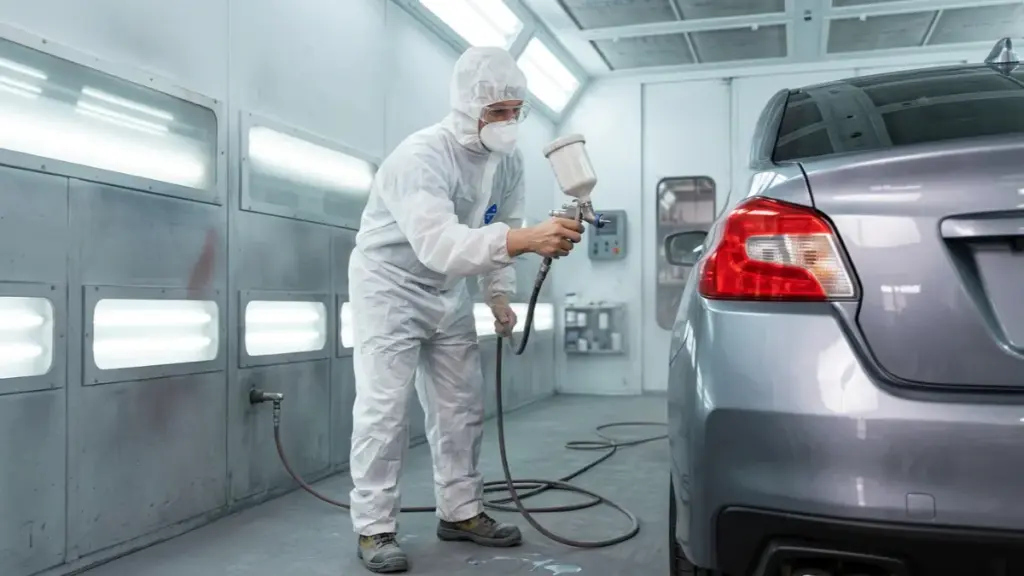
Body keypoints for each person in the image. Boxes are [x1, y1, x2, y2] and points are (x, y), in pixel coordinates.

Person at [347, 46, 584, 573]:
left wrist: (498, 294)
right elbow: (441, 244)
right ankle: (374, 527)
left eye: (515, 111)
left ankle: (460, 512)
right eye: (496, 111)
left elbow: (505, 221)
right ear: (467, 107)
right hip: (389, 286)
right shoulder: (420, 157)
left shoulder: (509, 161)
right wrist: (528, 240)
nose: (508, 122)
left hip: (447, 289)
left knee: (461, 406)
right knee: (384, 409)